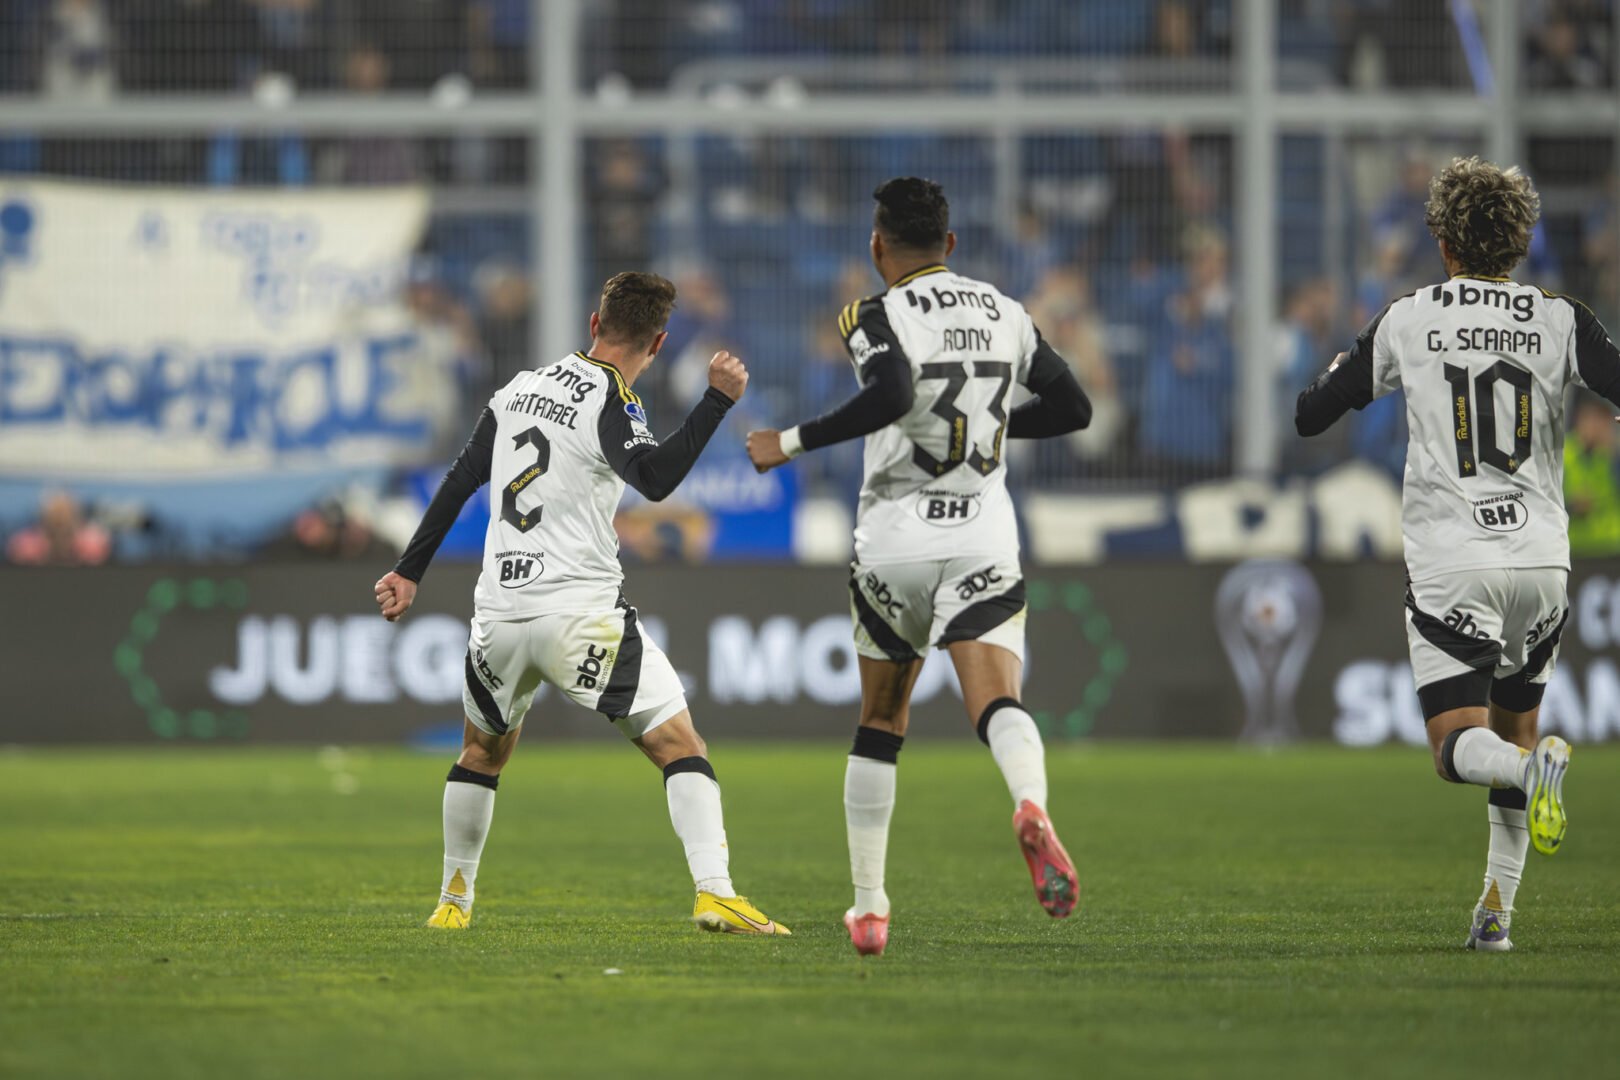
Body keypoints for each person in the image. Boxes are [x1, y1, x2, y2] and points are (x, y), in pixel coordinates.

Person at [374, 271, 789, 937]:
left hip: (500, 615)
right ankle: (716, 893)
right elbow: (654, 480)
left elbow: (460, 478)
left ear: (595, 325)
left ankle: (453, 901)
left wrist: (408, 570)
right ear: (658, 344)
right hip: (578, 615)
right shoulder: (612, 400)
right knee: (680, 744)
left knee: (480, 755)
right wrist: (717, 401)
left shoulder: (517, 389)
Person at [745, 178, 1092, 957]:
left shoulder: (872, 313)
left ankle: (870, 908)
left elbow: (892, 393)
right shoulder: (1007, 312)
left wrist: (788, 443)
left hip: (895, 541)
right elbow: (1075, 409)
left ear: (878, 247)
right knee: (997, 701)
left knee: (880, 720)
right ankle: (1029, 804)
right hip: (982, 536)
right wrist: (988, 429)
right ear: (951, 243)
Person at [1294, 156, 1619, 951]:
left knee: (1457, 749)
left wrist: (1344, 373)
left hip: (1455, 560)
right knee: (1515, 728)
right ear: (1520, 243)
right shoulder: (1560, 318)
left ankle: (1530, 775)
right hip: (1542, 563)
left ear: (1442, 243)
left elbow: (1312, 414)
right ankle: (1495, 916)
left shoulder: (1411, 317)